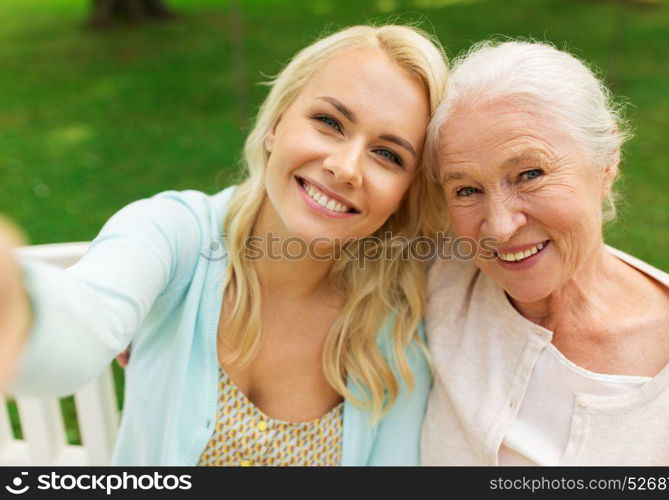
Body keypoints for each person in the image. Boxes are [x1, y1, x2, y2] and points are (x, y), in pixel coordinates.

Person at [0, 24, 448, 466]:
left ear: (406, 192)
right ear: (275, 124)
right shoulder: (173, 232)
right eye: (329, 122)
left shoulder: (397, 319)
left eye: (388, 155)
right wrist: (16, 303)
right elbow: (83, 322)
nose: (346, 167)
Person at [421, 39, 669, 465]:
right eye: (466, 190)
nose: (499, 226)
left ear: (606, 163)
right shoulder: (439, 285)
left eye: (529, 174)